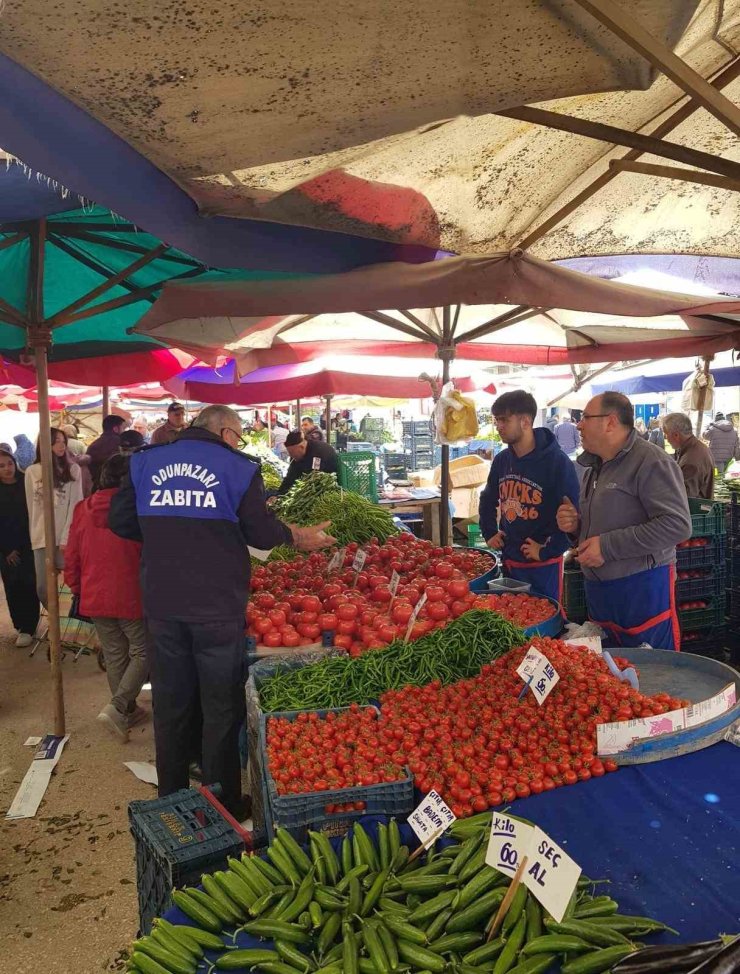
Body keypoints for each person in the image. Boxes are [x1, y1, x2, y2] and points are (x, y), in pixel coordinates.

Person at [109, 404, 335, 815]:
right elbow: (261, 533)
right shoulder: (238, 468)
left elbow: (121, 521)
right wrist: (297, 536)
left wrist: (169, 532)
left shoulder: (144, 461)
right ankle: (221, 805)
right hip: (216, 605)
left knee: (172, 705)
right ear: (227, 433)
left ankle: (172, 800)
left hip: (163, 603)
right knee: (219, 707)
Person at [556, 392, 691, 651]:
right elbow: (599, 524)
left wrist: (607, 546)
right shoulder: (592, 466)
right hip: (600, 593)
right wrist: (575, 527)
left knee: (653, 673)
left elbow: (677, 524)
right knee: (610, 676)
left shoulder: (651, 461)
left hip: (642, 588)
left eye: (585, 417)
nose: (579, 425)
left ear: (610, 422)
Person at [64, 454, 148, 742]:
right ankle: (119, 705)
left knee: (115, 655)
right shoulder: (136, 508)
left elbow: (71, 554)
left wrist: (76, 586)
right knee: (143, 650)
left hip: (94, 592)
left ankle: (127, 711)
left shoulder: (82, 508)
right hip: (130, 593)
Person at [479, 391, 580, 603]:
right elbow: (488, 498)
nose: (499, 426)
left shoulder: (557, 462)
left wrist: (546, 551)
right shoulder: (502, 460)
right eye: (496, 420)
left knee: (543, 620)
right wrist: (489, 532)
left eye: (504, 420)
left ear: (525, 421)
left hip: (543, 565)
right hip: (510, 560)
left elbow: (573, 515)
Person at [25, 428, 84, 606]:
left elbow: (76, 504)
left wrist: (67, 536)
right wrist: (34, 535)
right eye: (56, 440)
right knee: (43, 588)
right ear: (45, 444)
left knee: (78, 581)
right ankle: (54, 618)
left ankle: (76, 618)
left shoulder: (73, 470)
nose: (61, 444)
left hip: (65, 537)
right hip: (41, 538)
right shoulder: (32, 471)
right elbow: (31, 507)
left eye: (63, 440)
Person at [0, 449, 40, 647]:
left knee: (31, 584)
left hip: (30, 542)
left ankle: (29, 626)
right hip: (6, 549)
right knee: (13, 586)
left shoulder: (26, 481)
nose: (7, 469)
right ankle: (20, 625)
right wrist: (7, 549)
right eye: (1, 466)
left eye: (9, 463)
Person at [663, 412, 714, 500]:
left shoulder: (692, 460)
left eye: (666, 435)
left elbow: (685, 497)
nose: (666, 439)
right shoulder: (696, 447)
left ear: (676, 435)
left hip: (697, 511)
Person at [278, 430, 339, 495]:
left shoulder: (318, 452)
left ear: (302, 447)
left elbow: (315, 479)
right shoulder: (296, 456)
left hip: (329, 487)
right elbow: (290, 476)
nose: (291, 456)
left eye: (292, 453)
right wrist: (279, 494)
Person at [87, 414, 127, 486]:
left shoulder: (93, 445)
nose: (124, 431)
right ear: (116, 429)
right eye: (123, 428)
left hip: (96, 487)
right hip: (115, 487)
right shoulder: (121, 443)